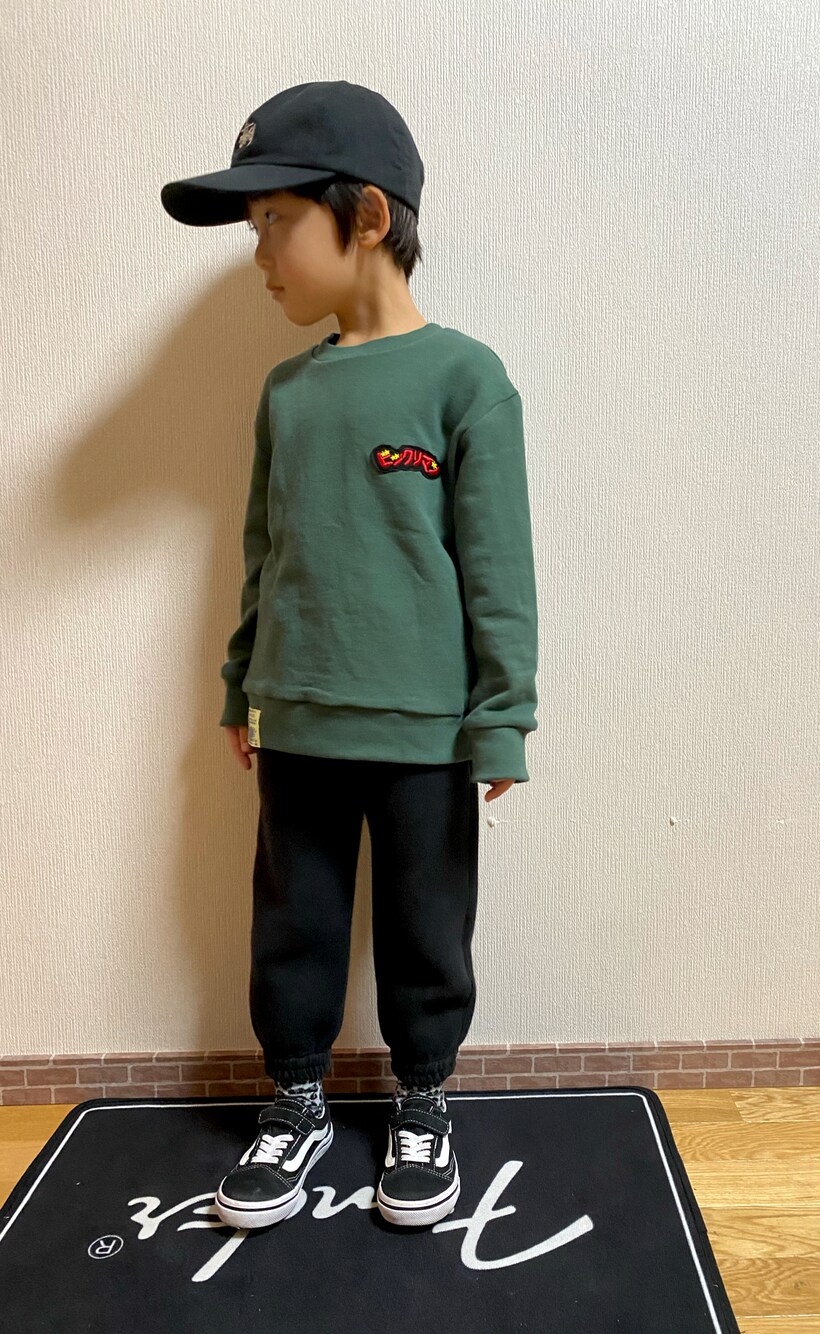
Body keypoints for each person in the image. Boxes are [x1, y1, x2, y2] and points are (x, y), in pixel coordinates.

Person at [159, 81, 538, 1232]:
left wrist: (502, 714)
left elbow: (497, 567)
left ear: (366, 215)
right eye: (252, 229)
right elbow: (262, 551)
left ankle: (423, 1102)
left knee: (427, 929)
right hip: (297, 717)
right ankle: (296, 1101)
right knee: (296, 924)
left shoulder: (466, 379)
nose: (259, 254)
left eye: (274, 220)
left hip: (425, 730)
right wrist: (240, 684)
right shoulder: (288, 391)